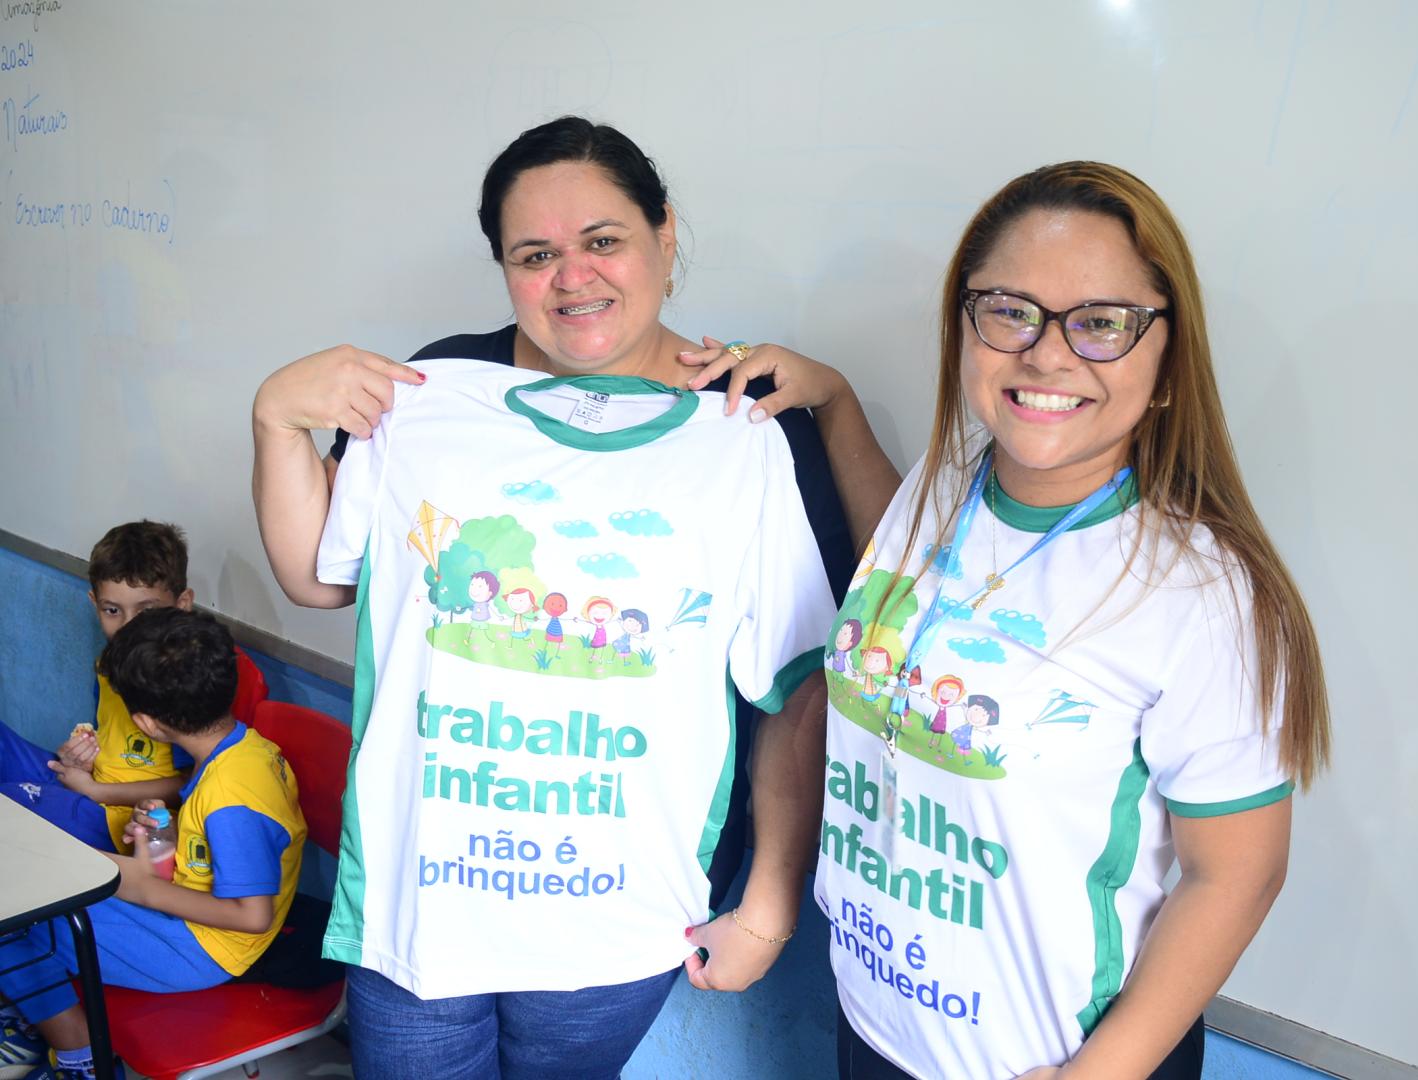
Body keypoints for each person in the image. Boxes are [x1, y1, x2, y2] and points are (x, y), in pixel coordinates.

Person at [250, 117, 847, 1078]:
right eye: (536, 254)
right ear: (503, 269)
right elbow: (319, 574)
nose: (573, 277)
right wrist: (276, 418)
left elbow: (794, 687)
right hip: (424, 896)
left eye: (603, 240)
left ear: (666, 233)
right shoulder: (434, 393)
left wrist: (769, 907)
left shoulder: (744, 423)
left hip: (622, 906)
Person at [802, 162, 1331, 1079]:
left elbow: (1236, 872)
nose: (1047, 354)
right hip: (878, 1023)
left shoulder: (1200, 594)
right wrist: (838, 405)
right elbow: (918, 601)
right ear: (963, 330)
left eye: (1102, 324)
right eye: (1009, 309)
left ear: (1166, 367)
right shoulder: (942, 487)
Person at [0, 607, 306, 1080]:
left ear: (146, 723)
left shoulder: (232, 800)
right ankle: (34, 1005)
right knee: (36, 888)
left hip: (202, 951)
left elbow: (252, 914)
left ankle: (81, 1056)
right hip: (186, 914)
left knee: (18, 917)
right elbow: (201, 852)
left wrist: (143, 888)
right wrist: (160, 832)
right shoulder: (241, 750)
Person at [0, 521, 264, 854]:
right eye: (112, 610)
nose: (128, 627)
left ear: (182, 603)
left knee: (11, 805)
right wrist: (83, 761)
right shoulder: (108, 665)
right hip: (92, 784)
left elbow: (191, 782)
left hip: (124, 823)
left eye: (146, 610)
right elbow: (112, 743)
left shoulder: (183, 680)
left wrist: (97, 792)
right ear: (94, 602)